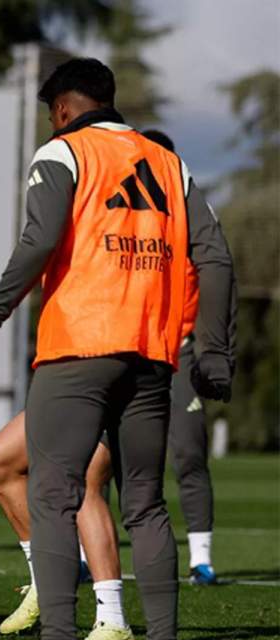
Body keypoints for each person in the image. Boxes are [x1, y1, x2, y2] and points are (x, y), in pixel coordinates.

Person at [0, 58, 234, 640]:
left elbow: (38, 244)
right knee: (147, 503)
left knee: (54, 495)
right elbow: (215, 257)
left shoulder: (61, 153)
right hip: (152, 357)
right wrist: (215, 352)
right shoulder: (170, 162)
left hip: (79, 347)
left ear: (61, 110)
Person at [0, 413, 136, 640]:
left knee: (84, 480)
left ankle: (112, 618)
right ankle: (42, 579)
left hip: (103, 388)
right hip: (59, 382)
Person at [141, 128, 219, 585]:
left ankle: (201, 558)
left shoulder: (192, 219)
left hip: (180, 354)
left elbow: (214, 283)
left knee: (188, 453)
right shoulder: (116, 215)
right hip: (129, 352)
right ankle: (91, 555)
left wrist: (211, 349)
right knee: (106, 461)